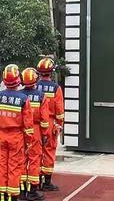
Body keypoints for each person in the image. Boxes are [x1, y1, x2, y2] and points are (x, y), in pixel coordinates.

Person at [0, 64, 33, 201]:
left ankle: (2, 197)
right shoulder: (22, 99)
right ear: (18, 80)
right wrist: (29, 142)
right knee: (14, 167)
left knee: (2, 166)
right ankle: (13, 197)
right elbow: (28, 124)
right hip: (16, 137)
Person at [21, 68, 50, 201]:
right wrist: (45, 134)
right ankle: (32, 190)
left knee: (21, 160)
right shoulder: (41, 96)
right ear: (36, 81)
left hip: (21, 131)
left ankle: (21, 190)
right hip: (36, 131)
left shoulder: (19, 96)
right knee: (34, 160)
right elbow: (45, 119)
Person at [36, 57, 64, 192]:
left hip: (35, 125)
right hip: (51, 123)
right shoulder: (55, 88)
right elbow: (59, 110)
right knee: (49, 152)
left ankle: (34, 182)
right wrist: (60, 124)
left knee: (35, 153)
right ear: (51, 73)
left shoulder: (33, 86)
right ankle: (46, 182)